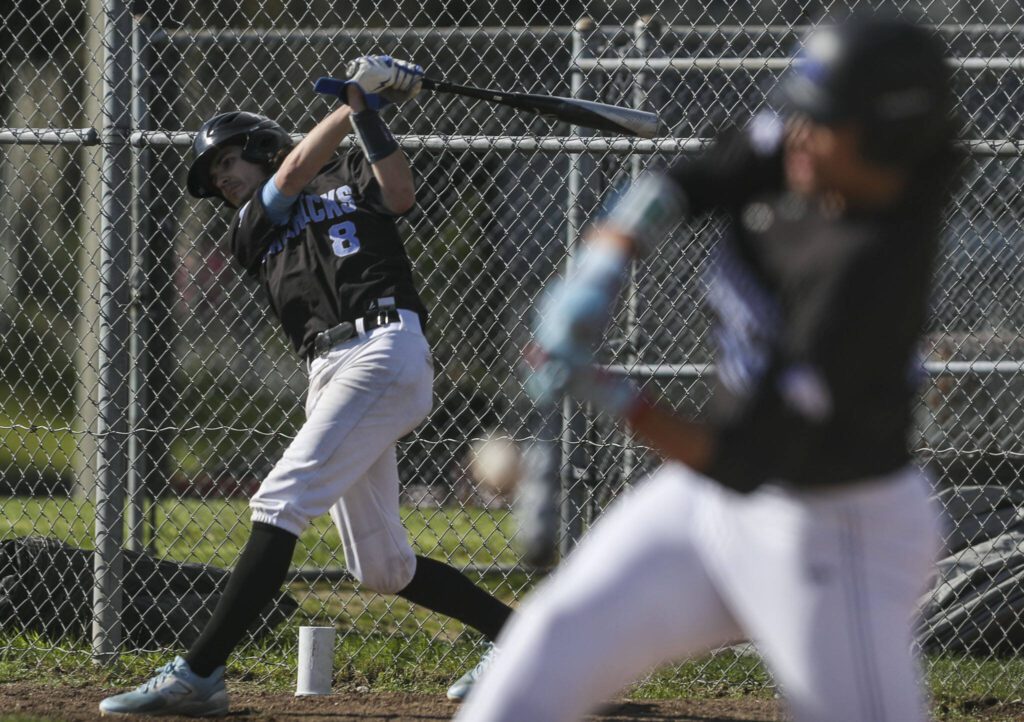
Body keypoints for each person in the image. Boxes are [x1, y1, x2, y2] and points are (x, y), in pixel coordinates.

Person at [455, 16, 958, 722]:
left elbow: (748, 454)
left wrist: (616, 397)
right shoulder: (839, 157)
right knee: (532, 666)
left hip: (835, 531)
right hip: (709, 505)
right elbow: (706, 170)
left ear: (886, 138)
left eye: (824, 124)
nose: (798, 138)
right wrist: (606, 256)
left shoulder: (867, 275)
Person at [99, 55, 511, 717]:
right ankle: (517, 640)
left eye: (231, 161)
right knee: (381, 567)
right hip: (330, 370)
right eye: (215, 175)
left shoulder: (348, 171)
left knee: (280, 498)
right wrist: (354, 101)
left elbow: (400, 194)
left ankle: (200, 672)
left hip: (383, 348)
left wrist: (367, 114)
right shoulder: (250, 228)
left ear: (261, 144)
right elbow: (292, 173)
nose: (225, 178)